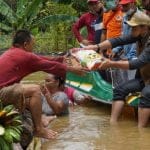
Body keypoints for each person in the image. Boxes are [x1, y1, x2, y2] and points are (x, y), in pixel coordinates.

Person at [0, 29, 87, 139]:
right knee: (35, 89)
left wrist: (61, 59)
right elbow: (49, 66)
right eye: (33, 45)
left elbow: (42, 59)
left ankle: (41, 119)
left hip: (5, 91)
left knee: (30, 97)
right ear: (26, 44)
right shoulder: (24, 56)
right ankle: (39, 130)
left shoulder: (12, 52)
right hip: (2, 92)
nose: (33, 48)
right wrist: (73, 70)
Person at [84, 10, 150, 127]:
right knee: (119, 90)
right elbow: (119, 40)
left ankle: (141, 131)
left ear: (144, 28)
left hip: (147, 82)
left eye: (134, 28)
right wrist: (96, 46)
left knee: (146, 94)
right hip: (145, 79)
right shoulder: (139, 35)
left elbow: (137, 63)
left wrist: (111, 64)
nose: (131, 30)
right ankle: (112, 124)